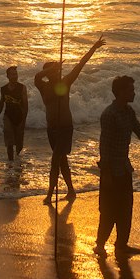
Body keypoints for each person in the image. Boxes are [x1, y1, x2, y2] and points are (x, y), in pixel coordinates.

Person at [94, 75, 140, 256]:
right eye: (130, 90)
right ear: (120, 92)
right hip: (111, 171)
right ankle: (100, 245)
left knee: (126, 209)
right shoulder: (109, 115)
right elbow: (104, 147)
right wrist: (107, 174)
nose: (134, 93)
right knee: (108, 210)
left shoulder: (128, 112)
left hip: (125, 168)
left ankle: (121, 245)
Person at [34, 35, 105, 202]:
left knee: (55, 160)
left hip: (65, 128)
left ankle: (50, 194)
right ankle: (71, 191)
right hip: (52, 129)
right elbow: (37, 77)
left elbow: (80, 65)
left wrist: (94, 48)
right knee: (61, 160)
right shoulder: (43, 86)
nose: (58, 72)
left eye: (58, 70)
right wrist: (50, 69)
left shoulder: (65, 83)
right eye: (54, 70)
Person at [0, 66, 28, 161]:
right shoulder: (3, 89)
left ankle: (17, 162)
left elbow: (26, 105)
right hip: (8, 116)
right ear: (8, 76)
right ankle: (10, 164)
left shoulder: (22, 88)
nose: (15, 76)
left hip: (20, 117)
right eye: (12, 74)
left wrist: (24, 120)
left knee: (19, 144)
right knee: (9, 143)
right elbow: (1, 103)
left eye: (16, 74)